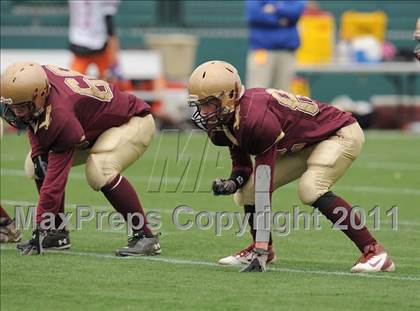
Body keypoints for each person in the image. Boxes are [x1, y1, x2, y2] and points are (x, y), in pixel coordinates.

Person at [188, 60, 395, 273]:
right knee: (245, 193)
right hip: (305, 143)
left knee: (311, 189)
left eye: (208, 104)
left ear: (229, 97)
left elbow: (263, 181)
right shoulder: (226, 119)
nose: (203, 112)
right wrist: (232, 183)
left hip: (338, 133)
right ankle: (265, 249)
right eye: (199, 105)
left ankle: (374, 251)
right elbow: (243, 167)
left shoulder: (254, 119)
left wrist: (259, 250)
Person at [0, 61, 160, 256]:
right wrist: (37, 153)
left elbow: (55, 183)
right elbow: (34, 122)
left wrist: (38, 229)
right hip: (92, 126)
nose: (16, 113)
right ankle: (57, 232)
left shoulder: (60, 115)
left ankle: (145, 235)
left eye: (22, 107)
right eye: (13, 107)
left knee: (99, 170)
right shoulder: (37, 81)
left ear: (40, 96)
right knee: (34, 166)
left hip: (132, 120)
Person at [245, 0, 306, 91]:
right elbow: (254, 15)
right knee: (257, 91)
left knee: (285, 95)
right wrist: (280, 20)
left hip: (286, 52)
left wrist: (275, 8)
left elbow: (296, 11)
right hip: (262, 51)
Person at [68, 0, 120, 79]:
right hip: (93, 42)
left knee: (73, 81)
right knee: (74, 81)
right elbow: (108, 18)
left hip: (87, 42)